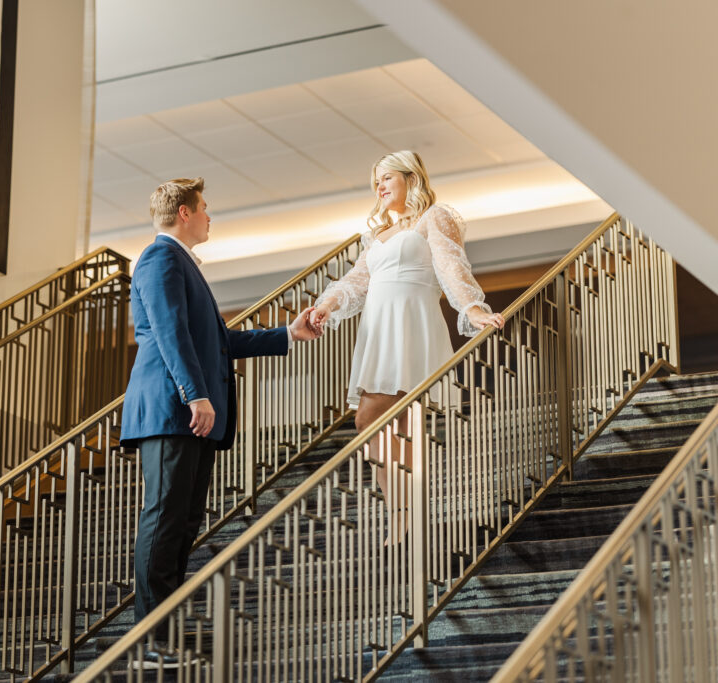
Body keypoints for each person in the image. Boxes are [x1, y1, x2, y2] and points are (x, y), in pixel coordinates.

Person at [120, 177, 320, 665]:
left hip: (188, 412)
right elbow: (168, 331)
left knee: (183, 523)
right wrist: (195, 394)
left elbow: (218, 341)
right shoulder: (160, 257)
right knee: (165, 519)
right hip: (172, 410)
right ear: (184, 213)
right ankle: (149, 642)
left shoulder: (182, 264)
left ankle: (163, 638)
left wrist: (286, 334)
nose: (210, 216)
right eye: (205, 208)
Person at [309, 151, 504, 539]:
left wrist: (472, 307)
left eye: (386, 178)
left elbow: (451, 264)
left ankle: (405, 513)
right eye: (375, 181)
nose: (379, 187)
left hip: (412, 324)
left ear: (410, 178)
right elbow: (356, 281)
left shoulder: (435, 216)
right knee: (385, 425)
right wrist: (327, 305)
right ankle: (404, 513)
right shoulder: (377, 236)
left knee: (374, 419)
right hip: (379, 329)